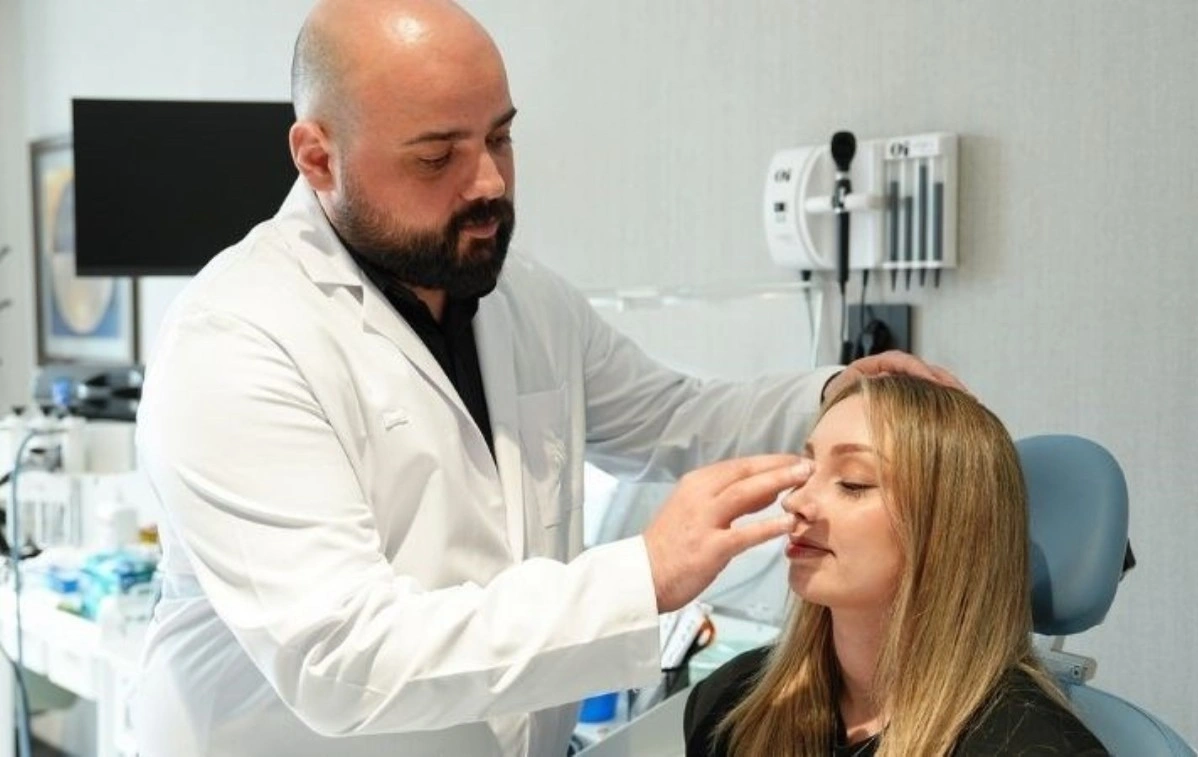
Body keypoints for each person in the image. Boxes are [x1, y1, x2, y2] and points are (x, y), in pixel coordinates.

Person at [128, 1, 958, 755]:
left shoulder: (526, 301)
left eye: (499, 138)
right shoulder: (235, 339)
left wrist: (829, 395)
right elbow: (342, 659)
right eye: (437, 156)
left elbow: (673, 417)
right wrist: (644, 575)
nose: (488, 182)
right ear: (319, 157)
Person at [684, 375, 1109, 756]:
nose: (795, 501)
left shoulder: (1033, 747)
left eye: (853, 483)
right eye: (806, 473)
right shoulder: (730, 705)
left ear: (948, 527)